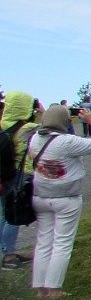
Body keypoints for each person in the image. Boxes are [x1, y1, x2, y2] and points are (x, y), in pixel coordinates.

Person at [27, 103, 91, 299]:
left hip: (41, 196)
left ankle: (40, 287)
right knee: (62, 243)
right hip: (66, 198)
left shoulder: (35, 140)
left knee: (43, 242)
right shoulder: (66, 142)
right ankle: (54, 289)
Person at [1, 90, 38, 270]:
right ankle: (8, 255)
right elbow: (53, 126)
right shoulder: (27, 128)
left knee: (3, 213)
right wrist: (42, 110)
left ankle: (7, 250)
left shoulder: (3, 124)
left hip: (4, 175)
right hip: (18, 174)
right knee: (12, 214)